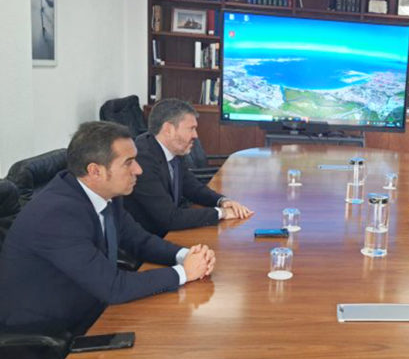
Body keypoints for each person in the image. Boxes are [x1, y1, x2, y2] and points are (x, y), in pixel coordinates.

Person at [0, 122, 216, 336]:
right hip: (49, 331)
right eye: (128, 163)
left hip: (92, 305)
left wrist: (186, 255)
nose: (138, 170)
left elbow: (139, 241)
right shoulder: (56, 215)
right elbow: (113, 287)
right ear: (95, 171)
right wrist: (184, 272)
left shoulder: (106, 194)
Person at [124, 99, 253, 237]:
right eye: (191, 128)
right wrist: (221, 213)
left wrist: (222, 201)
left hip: (168, 233)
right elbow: (169, 218)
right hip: (150, 239)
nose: (195, 135)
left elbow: (192, 187)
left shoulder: (173, 150)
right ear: (168, 129)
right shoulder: (143, 160)